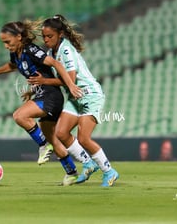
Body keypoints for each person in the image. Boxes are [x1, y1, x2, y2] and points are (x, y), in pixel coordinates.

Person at [0, 20, 85, 185]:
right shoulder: (16, 53)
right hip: (42, 95)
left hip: (50, 96)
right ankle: (72, 173)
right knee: (55, 140)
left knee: (19, 116)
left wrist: (70, 84)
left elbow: (55, 63)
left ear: (19, 37)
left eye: (8, 42)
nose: (6, 46)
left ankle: (43, 144)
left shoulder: (31, 50)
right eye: (3, 43)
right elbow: (12, 65)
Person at [27, 14, 119, 187]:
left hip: (90, 95)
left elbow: (69, 79)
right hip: (74, 97)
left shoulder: (66, 50)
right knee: (61, 133)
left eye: (50, 36)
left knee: (83, 138)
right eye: (44, 37)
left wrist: (44, 81)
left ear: (60, 34)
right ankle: (88, 164)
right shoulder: (50, 53)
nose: (46, 40)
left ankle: (109, 171)